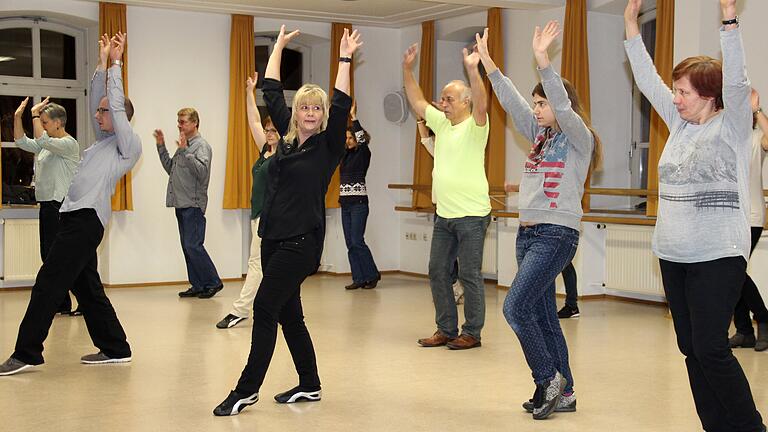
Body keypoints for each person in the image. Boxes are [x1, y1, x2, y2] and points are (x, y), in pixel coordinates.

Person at [625, 0, 765, 430]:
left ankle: (750, 427)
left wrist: (728, 20)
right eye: (676, 91)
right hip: (673, 254)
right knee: (691, 347)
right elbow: (647, 80)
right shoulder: (680, 123)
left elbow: (737, 82)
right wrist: (631, 24)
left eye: (683, 91)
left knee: (711, 348)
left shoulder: (733, 125)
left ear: (708, 95)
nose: (676, 98)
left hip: (717, 253)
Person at [213, 25, 361, 416]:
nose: (310, 112)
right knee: (288, 314)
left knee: (264, 308)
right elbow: (272, 90)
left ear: (323, 114)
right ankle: (310, 384)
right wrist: (278, 46)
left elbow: (344, 99)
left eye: (316, 108)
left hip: (302, 243)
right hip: (273, 238)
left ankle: (246, 390)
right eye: (305, 107)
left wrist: (345, 59)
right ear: (296, 114)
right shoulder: (287, 141)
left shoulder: (328, 146)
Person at [477, 21, 602, 419]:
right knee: (543, 313)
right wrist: (490, 66)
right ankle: (564, 391)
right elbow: (512, 102)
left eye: (542, 103)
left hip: (556, 233)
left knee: (515, 308)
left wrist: (543, 61)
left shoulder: (580, 137)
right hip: (528, 233)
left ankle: (548, 378)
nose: (537, 109)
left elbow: (562, 107)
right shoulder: (540, 134)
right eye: (537, 103)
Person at [0, 32, 141, 376]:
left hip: (84, 221)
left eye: (104, 111)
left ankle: (27, 351)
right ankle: (115, 347)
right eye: (98, 111)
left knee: (48, 282)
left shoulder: (127, 145)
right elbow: (100, 95)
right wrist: (101, 61)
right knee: (88, 288)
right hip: (72, 219)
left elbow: (115, 104)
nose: (97, 114)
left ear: (121, 116)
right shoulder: (100, 144)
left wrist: (118, 64)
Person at [404, 41, 491, 351]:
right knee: (437, 270)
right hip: (445, 215)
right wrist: (407, 69)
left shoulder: (476, 125)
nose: (442, 103)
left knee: (469, 274)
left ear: (465, 101)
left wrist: (472, 70)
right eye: (441, 99)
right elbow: (416, 100)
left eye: (449, 99)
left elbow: (482, 102)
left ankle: (472, 333)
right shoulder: (441, 124)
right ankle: (446, 328)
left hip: (472, 216)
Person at [216, 72, 277, 329]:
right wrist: (249, 93)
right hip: (258, 215)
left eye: (273, 130)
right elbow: (252, 120)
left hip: (272, 218)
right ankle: (280, 307)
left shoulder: (284, 155)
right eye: (267, 130)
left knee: (256, 264)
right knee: (267, 265)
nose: (268, 133)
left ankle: (240, 309)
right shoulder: (265, 151)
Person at [13, 97, 80, 315]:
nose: (42, 126)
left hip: (60, 206)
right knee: (48, 255)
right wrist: (17, 117)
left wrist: (33, 115)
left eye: (45, 122)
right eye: (41, 122)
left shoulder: (68, 144)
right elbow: (22, 141)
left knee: (60, 257)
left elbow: (42, 140)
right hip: (47, 206)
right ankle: (62, 303)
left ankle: (82, 302)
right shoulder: (46, 147)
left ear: (58, 122)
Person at [154, 108, 223, 299]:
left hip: (193, 205)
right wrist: (161, 146)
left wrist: (186, 151)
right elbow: (171, 169)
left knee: (194, 246)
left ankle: (213, 282)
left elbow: (202, 173)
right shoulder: (184, 145)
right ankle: (198, 284)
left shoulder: (201, 146)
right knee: (187, 246)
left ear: (194, 123)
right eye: (178, 121)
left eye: (183, 121)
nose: (179, 125)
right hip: (181, 203)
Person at [729, 88, 768, 351]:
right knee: (731, 274)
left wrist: (757, 109)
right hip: (726, 218)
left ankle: (763, 319)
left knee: (734, 272)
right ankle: (744, 330)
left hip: (751, 216)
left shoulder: (756, 139)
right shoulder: (728, 139)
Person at [417, 118, 464, 305]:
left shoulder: (458, 152)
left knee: (453, 254)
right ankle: (452, 287)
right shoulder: (438, 152)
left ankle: (456, 287)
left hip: (457, 208)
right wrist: (421, 119)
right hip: (441, 209)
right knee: (442, 256)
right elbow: (426, 140)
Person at [341, 101, 381, 290]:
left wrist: (353, 117)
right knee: (350, 243)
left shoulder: (363, 153)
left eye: (351, 138)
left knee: (357, 240)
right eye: (347, 138)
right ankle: (358, 278)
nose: (348, 141)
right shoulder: (345, 156)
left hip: (358, 204)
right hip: (346, 204)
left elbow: (361, 139)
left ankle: (372, 275)